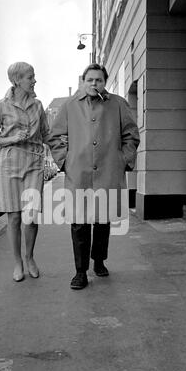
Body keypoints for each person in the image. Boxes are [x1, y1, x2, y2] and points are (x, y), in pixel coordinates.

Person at [48, 63, 140, 290]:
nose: (94, 84)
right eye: (90, 80)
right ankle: (80, 272)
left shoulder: (118, 104)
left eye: (98, 80)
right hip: (79, 172)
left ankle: (99, 261)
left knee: (102, 220)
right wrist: (65, 161)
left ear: (104, 82)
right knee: (79, 222)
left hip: (108, 169)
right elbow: (55, 137)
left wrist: (123, 160)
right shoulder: (70, 106)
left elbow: (131, 136)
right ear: (83, 80)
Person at [0, 61, 49, 282]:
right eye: (30, 77)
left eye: (33, 76)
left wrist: (66, 153)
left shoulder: (38, 105)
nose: (34, 80)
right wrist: (12, 138)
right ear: (17, 80)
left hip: (33, 163)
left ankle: (30, 257)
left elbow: (46, 134)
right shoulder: (0, 107)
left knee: (31, 216)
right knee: (13, 217)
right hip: (10, 163)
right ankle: (17, 262)